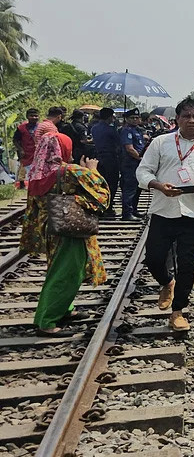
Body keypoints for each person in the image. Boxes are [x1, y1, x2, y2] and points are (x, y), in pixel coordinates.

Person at [136, 96, 194, 332]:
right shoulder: (161, 142)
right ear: (177, 119)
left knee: (188, 264)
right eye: (186, 116)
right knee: (154, 258)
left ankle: (178, 312)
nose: (191, 120)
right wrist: (158, 186)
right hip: (163, 210)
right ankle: (167, 282)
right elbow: (143, 171)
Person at [20, 132, 110, 335]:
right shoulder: (70, 172)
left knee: (58, 270)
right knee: (66, 274)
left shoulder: (37, 172)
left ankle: (64, 309)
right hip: (70, 230)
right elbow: (102, 196)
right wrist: (93, 170)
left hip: (52, 228)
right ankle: (47, 321)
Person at [89, 108, 121, 218]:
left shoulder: (94, 128)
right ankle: (108, 207)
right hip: (110, 158)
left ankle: (100, 205)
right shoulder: (111, 130)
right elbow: (118, 144)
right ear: (109, 117)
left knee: (100, 183)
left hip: (98, 157)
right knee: (111, 183)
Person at [119, 110, 147, 220]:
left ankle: (134, 210)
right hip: (130, 163)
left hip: (137, 163)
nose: (135, 120)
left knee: (137, 188)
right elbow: (129, 149)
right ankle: (127, 213)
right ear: (127, 119)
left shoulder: (138, 130)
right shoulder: (127, 131)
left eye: (137, 117)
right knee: (129, 188)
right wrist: (140, 158)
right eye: (132, 118)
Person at [13, 108, 40, 188]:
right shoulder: (21, 128)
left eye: (36, 116)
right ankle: (24, 185)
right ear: (27, 116)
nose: (34, 118)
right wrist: (20, 149)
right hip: (26, 153)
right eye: (32, 116)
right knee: (25, 171)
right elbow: (15, 140)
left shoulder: (41, 127)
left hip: (38, 153)